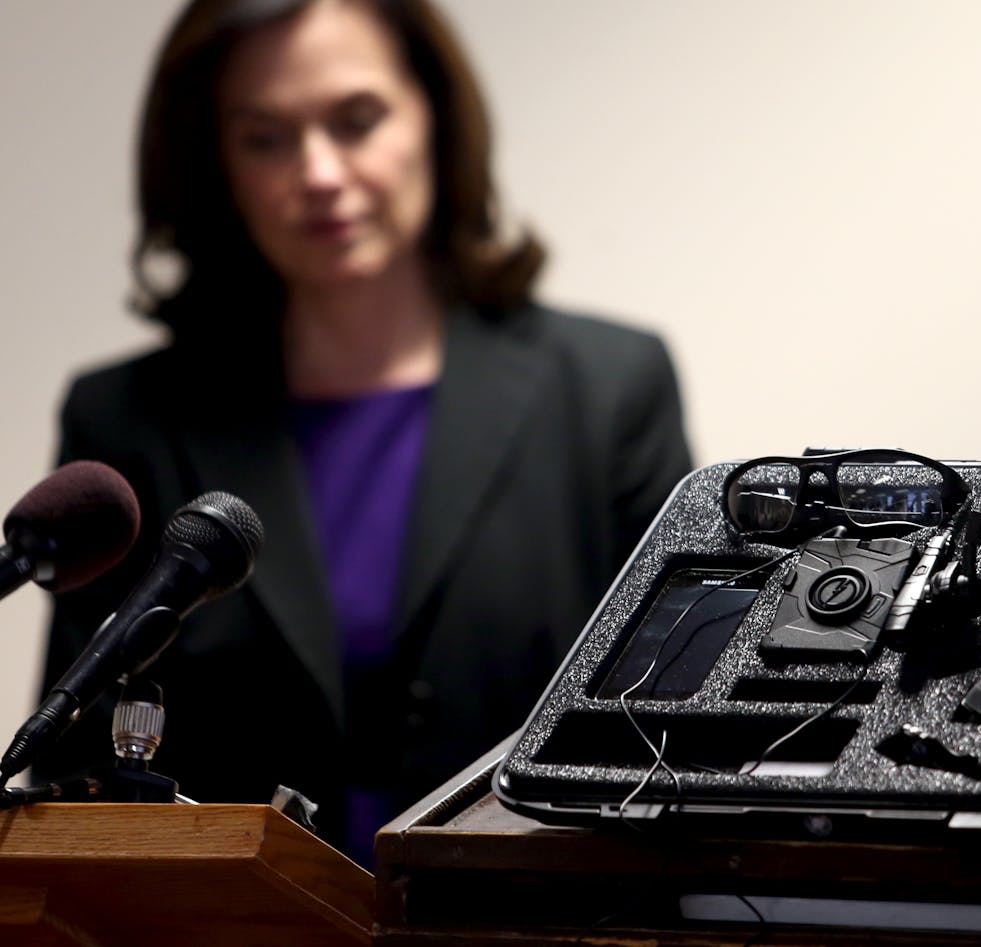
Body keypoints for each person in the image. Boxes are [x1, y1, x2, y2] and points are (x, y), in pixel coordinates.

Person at [37, 0, 692, 865]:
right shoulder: (125, 417)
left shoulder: (610, 390)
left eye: (357, 120)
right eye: (266, 137)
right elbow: (78, 777)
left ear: (434, 118)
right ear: (216, 165)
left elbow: (675, 746)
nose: (318, 171)